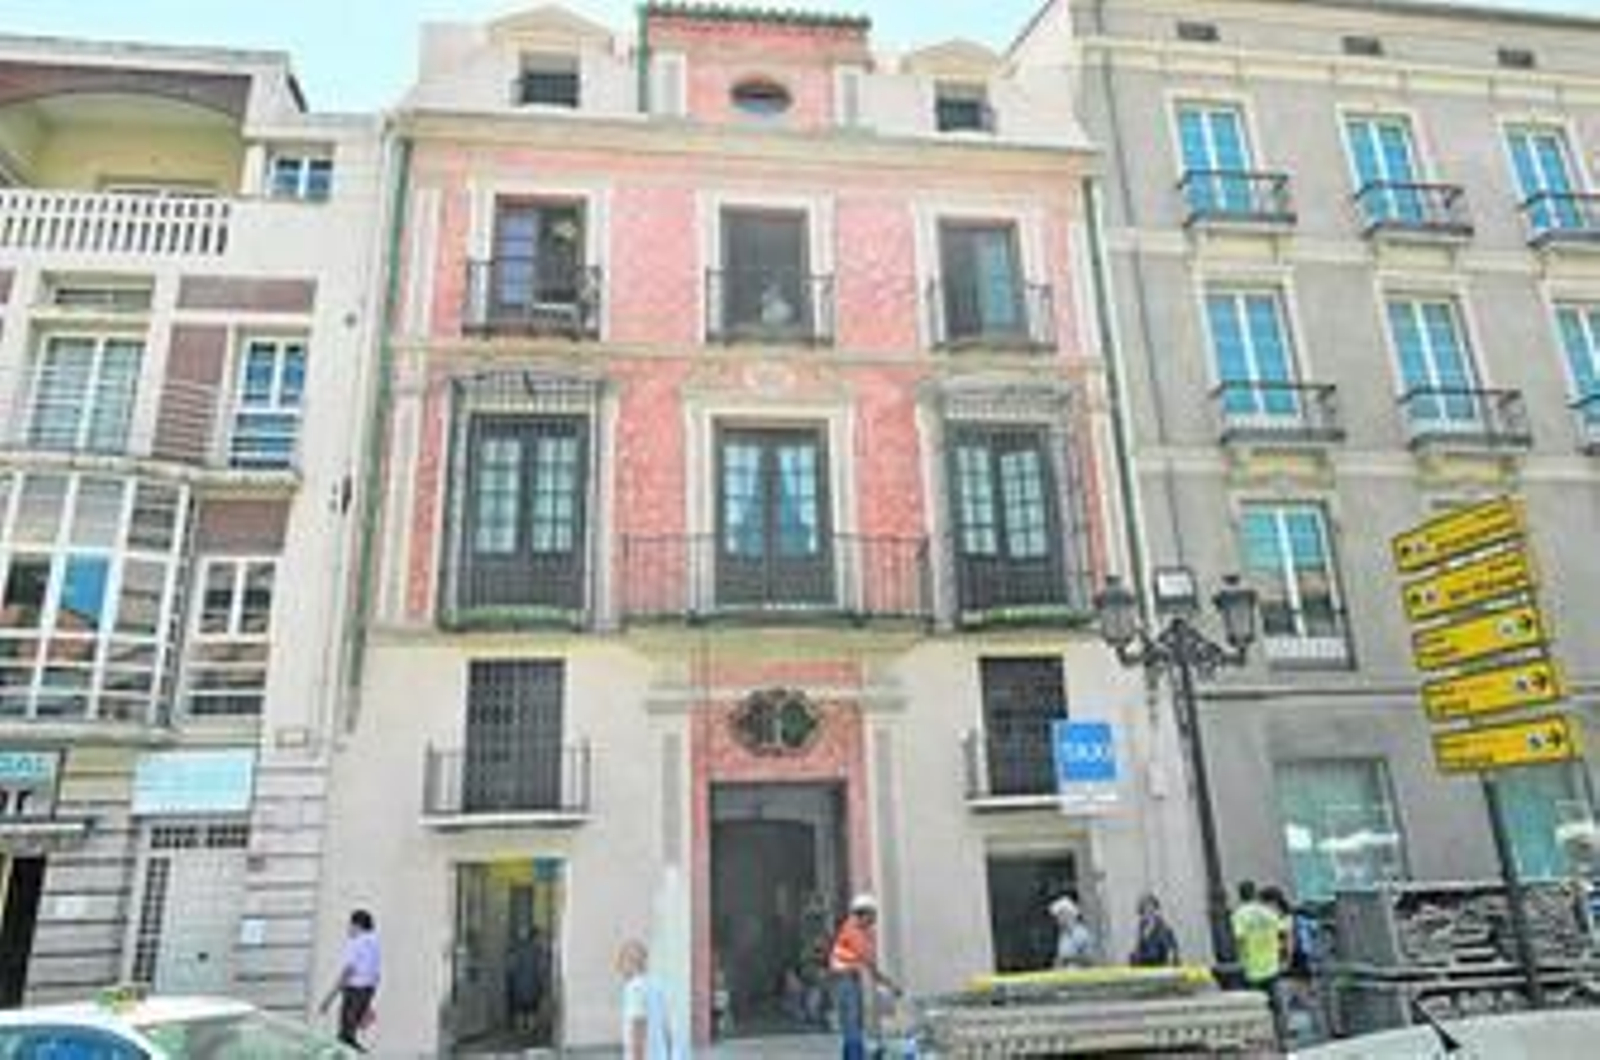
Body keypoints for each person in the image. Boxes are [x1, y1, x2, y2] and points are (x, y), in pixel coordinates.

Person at [829, 893, 901, 1060]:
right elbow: (868, 962)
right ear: (863, 914)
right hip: (845, 980)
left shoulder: (857, 929)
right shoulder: (854, 932)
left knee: (852, 1024)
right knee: (853, 1023)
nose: (874, 919)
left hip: (848, 978)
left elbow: (867, 961)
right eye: (872, 915)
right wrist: (889, 984)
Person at [1231, 882, 1287, 1045]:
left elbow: (1239, 940)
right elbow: (1282, 932)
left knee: (1256, 1008)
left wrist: (1240, 959)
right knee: (1276, 1006)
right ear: (1254, 894)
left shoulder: (1239, 915)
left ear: (1240, 896)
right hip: (1272, 965)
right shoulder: (1268, 912)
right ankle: (1282, 1039)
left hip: (1252, 968)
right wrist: (1281, 956)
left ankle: (1264, 1041)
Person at [319, 908, 380, 1050]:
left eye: (350, 925)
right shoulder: (374, 942)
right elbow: (375, 972)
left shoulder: (356, 942)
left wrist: (329, 997)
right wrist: (368, 1004)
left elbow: (348, 971)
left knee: (345, 1034)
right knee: (350, 1032)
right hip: (368, 989)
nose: (348, 929)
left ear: (358, 925)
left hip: (355, 990)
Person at [616, 939, 675, 1060]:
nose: (620, 968)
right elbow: (667, 1027)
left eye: (621, 962)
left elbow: (638, 1027)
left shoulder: (634, 988)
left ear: (631, 962)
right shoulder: (657, 985)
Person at [1128, 893, 1180, 967]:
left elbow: (1159, 954)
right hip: (1146, 967)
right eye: (1144, 912)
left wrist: (1139, 956)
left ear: (1157, 911)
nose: (1148, 915)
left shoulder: (1164, 929)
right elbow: (1140, 948)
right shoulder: (1143, 927)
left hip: (1161, 967)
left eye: (1151, 911)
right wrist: (1136, 955)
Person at [1049, 895, 1095, 968]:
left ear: (1067, 914)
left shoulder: (1080, 933)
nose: (1057, 919)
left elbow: (1090, 959)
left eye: (1059, 915)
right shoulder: (1064, 935)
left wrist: (1066, 959)